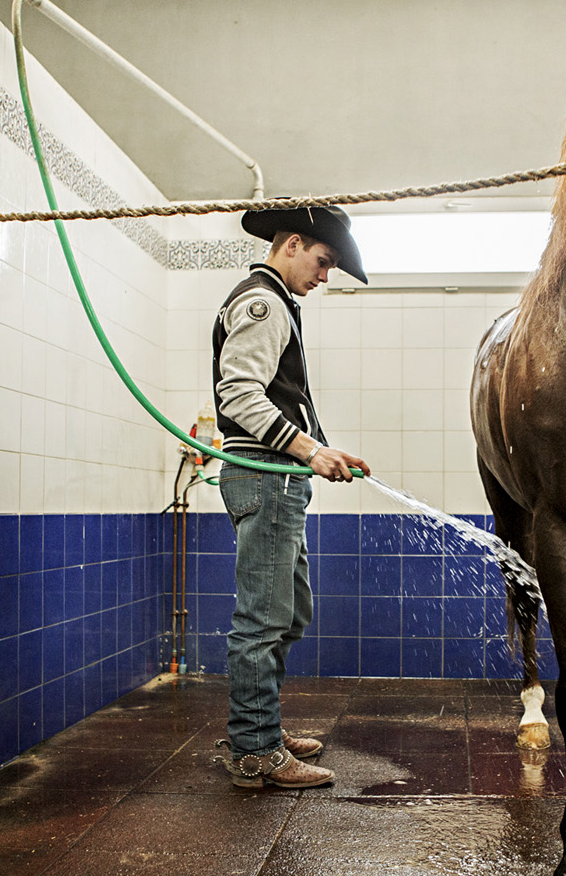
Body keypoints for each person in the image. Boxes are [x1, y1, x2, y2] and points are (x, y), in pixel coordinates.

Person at [212, 204, 371, 788]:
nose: (325, 276)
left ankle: (262, 725)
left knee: (289, 608)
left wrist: (325, 448)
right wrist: (307, 452)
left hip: (279, 476)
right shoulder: (265, 303)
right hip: (266, 475)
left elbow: (278, 399)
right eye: (324, 262)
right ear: (294, 244)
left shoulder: (278, 302)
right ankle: (253, 750)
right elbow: (239, 396)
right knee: (263, 617)